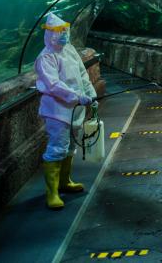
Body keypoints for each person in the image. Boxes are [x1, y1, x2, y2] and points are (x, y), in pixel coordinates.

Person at [35, 12, 98, 210]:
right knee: (57, 147)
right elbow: (53, 85)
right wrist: (76, 96)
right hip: (57, 110)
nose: (63, 34)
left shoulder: (69, 49)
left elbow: (82, 74)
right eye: (58, 31)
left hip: (75, 109)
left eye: (65, 30)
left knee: (70, 146)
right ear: (49, 34)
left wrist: (91, 95)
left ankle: (64, 181)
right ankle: (51, 192)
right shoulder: (46, 57)